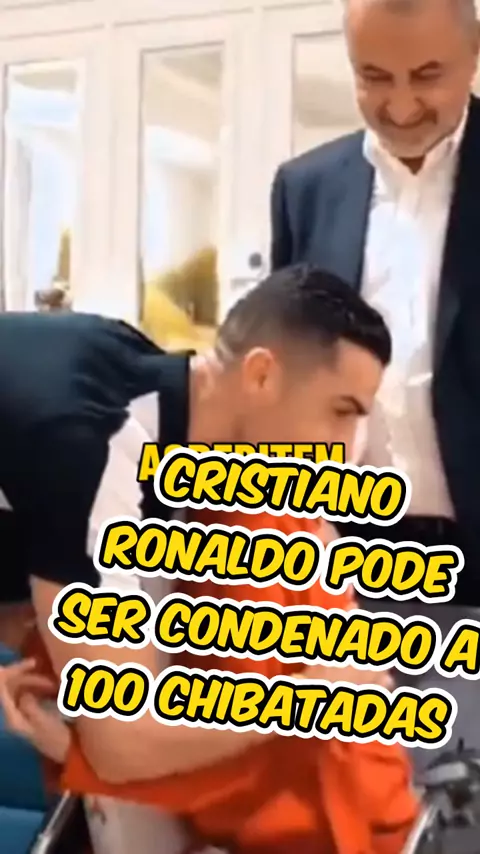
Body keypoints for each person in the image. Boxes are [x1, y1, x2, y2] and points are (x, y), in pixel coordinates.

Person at [0, 266, 396, 830]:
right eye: (340, 412)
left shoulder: (140, 380)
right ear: (260, 375)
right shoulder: (92, 446)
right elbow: (120, 746)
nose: (346, 449)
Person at [270, 0, 480, 765]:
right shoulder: (305, 188)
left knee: (463, 802)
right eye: (374, 77)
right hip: (347, 569)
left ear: (474, 55)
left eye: (427, 75)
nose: (401, 105)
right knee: (358, 799)